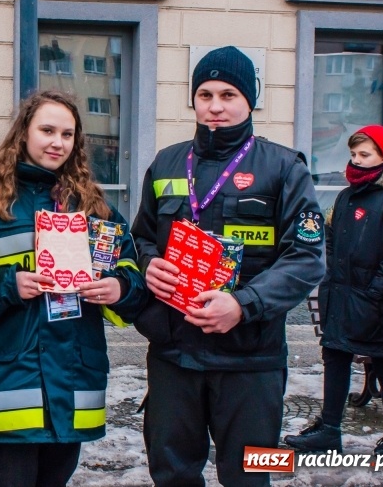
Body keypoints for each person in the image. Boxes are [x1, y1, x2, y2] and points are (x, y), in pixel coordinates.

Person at [130, 46, 326, 486]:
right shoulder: (165, 162)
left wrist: (243, 304)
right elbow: (139, 236)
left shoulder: (284, 166)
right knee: (171, 472)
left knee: (255, 474)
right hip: (173, 353)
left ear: (249, 100)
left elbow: (307, 257)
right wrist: (148, 262)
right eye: (204, 94)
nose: (215, 106)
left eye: (228, 94)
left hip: (252, 359)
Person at [0, 89, 146, 486]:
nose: (57, 142)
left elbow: (130, 268)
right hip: (7, 382)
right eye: (47, 130)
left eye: (67, 134)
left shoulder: (93, 206)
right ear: (24, 134)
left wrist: (118, 287)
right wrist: (6, 283)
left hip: (71, 380)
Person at [284, 125, 383, 459]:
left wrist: (374, 294)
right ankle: (329, 430)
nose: (356, 161)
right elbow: (334, 243)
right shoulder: (347, 195)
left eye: (365, 155)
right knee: (335, 357)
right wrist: (330, 285)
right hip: (342, 296)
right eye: (353, 154)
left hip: (381, 301)